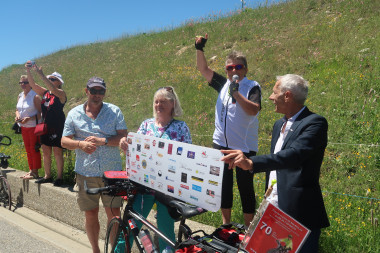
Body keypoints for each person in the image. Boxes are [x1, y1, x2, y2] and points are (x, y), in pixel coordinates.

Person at [221, 74, 330, 253]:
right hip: (273, 210)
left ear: (287, 96)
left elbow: (292, 156)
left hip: (298, 215)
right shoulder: (278, 124)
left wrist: (252, 162)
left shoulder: (314, 123)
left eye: (274, 93)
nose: (270, 98)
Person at [195, 33, 261, 226]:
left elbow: (253, 110)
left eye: (238, 67)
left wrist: (237, 94)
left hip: (243, 147)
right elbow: (203, 68)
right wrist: (199, 48)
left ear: (245, 69)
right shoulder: (223, 84)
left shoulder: (252, 86)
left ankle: (249, 228)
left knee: (245, 188)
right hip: (221, 144)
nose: (234, 70)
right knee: (223, 186)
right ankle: (226, 225)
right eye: (229, 67)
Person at [120, 86, 191, 252]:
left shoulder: (181, 127)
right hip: (145, 185)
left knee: (165, 231)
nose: (158, 105)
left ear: (173, 104)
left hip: (168, 187)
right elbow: (135, 149)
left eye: (163, 101)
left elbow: (188, 157)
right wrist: (125, 144)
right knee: (133, 224)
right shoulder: (146, 125)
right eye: (156, 101)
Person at [61, 77, 128, 253]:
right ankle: (95, 250)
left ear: (104, 93)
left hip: (112, 174)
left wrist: (103, 141)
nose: (97, 95)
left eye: (101, 91)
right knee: (90, 214)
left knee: (114, 215)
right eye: (94, 90)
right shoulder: (74, 113)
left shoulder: (114, 111)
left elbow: (123, 138)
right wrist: (80, 144)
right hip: (85, 173)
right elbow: (64, 141)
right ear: (86, 91)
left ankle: (115, 251)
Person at [25, 61, 66, 186]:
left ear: (59, 82)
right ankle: (47, 175)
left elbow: (53, 89)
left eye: (54, 79)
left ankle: (59, 177)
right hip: (45, 126)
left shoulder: (61, 93)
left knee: (57, 152)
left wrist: (42, 75)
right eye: (50, 78)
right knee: (46, 151)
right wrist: (28, 70)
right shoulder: (45, 93)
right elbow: (32, 84)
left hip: (57, 126)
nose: (51, 80)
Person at [16, 75, 42, 179]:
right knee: (27, 149)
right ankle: (31, 170)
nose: (23, 85)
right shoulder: (20, 95)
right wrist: (17, 115)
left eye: (25, 82)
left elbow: (41, 113)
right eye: (21, 83)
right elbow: (17, 109)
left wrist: (29, 118)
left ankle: (35, 172)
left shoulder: (35, 96)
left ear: (30, 83)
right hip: (23, 126)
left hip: (33, 126)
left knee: (34, 148)